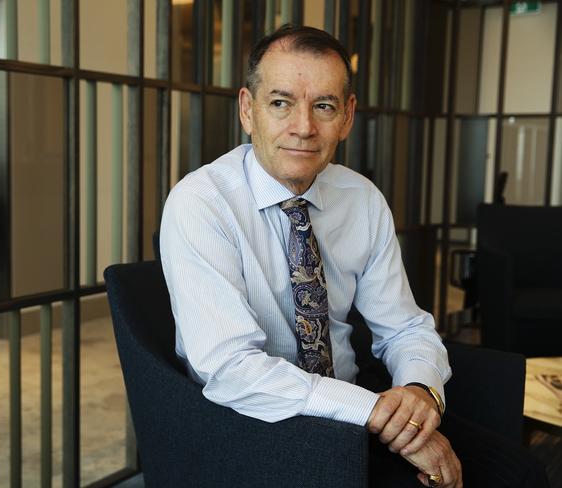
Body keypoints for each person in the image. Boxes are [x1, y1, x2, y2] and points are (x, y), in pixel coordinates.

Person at [160, 24, 548, 488]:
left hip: (359, 405)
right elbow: (232, 369)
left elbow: (403, 326)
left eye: (323, 106)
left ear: (347, 117)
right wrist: (376, 411)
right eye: (280, 103)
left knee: (520, 472)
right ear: (248, 109)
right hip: (251, 422)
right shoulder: (202, 202)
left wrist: (420, 393)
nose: (303, 127)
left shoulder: (360, 199)